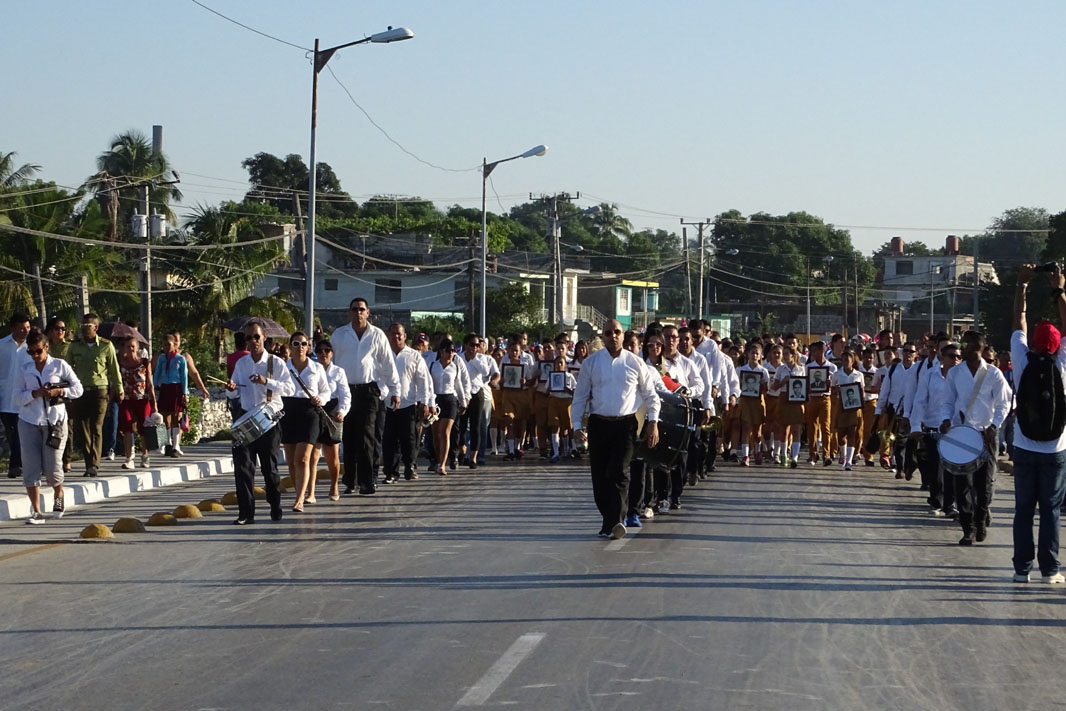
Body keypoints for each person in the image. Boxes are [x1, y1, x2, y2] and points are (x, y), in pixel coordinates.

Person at [572, 320, 661, 540]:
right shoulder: (591, 363)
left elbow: (651, 396)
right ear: (603, 336)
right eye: (609, 333)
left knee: (619, 472)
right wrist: (576, 426)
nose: (614, 336)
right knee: (600, 478)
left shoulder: (635, 363)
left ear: (623, 336)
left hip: (626, 425)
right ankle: (608, 521)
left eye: (617, 332)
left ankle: (617, 521)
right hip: (599, 424)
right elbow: (580, 397)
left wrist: (653, 422)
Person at [1009, 264, 1066, 582]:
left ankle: (1021, 569)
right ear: (1057, 344)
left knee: (1023, 509)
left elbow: (1018, 319)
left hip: (1023, 444)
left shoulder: (1020, 358)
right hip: (1055, 448)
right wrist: (1059, 288)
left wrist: (1022, 285)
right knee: (1051, 510)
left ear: (1031, 342)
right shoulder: (1062, 364)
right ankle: (1050, 569)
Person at [939, 331, 1011, 546]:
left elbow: (1005, 403)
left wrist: (994, 425)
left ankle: (980, 519)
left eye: (968, 345)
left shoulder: (993, 374)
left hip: (985, 435)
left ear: (978, 347)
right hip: (962, 434)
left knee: (985, 484)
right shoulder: (955, 373)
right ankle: (967, 527)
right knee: (962, 484)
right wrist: (945, 419)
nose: (963, 349)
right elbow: (948, 401)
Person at [225, 322, 295, 524]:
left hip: (269, 420)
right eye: (248, 338)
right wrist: (231, 388)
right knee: (243, 467)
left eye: (256, 337)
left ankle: (275, 505)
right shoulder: (242, 364)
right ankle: (246, 513)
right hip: (246, 416)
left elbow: (289, 389)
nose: (253, 341)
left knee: (269, 469)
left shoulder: (276, 363)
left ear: (264, 337)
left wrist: (267, 382)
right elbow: (235, 391)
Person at [330, 298, 400, 496]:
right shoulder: (340, 334)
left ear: (368, 312)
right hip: (345, 391)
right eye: (354, 309)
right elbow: (330, 362)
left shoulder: (377, 335)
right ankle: (350, 480)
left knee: (367, 437)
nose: (358, 312)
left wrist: (395, 390)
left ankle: (368, 481)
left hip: (369, 391)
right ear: (349, 311)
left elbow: (387, 365)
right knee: (349, 437)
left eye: (361, 309)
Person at [15, 330, 83, 523]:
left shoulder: (59, 365)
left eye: (38, 351)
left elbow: (78, 389)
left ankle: (58, 494)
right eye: (31, 352)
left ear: (46, 347)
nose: (35, 356)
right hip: (29, 421)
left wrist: (60, 390)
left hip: (55, 422)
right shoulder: (25, 368)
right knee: (30, 467)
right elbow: (17, 397)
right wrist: (34, 394)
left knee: (52, 466)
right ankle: (36, 511)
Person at [67, 313, 122, 477]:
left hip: (100, 390)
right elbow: (68, 370)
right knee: (83, 428)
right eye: (82, 326)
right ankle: (88, 462)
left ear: (96, 328)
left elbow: (114, 369)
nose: (84, 330)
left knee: (96, 426)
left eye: (87, 327)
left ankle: (95, 463)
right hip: (81, 391)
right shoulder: (74, 346)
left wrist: (119, 389)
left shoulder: (106, 346)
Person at [281, 331, 330, 512]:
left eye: (303, 344)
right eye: (296, 344)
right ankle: (298, 493)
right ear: (290, 347)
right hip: (289, 410)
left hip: (309, 412)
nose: (300, 347)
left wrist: (321, 399)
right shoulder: (283, 367)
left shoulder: (316, 368)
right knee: (292, 461)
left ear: (308, 347)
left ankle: (301, 499)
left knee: (302, 459)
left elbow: (326, 391)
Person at [909, 342, 960, 517]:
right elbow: (920, 400)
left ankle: (951, 504)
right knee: (936, 466)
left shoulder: (963, 378)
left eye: (958, 357)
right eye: (952, 356)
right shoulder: (930, 375)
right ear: (942, 358)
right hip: (933, 427)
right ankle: (937, 501)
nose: (956, 360)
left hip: (955, 429)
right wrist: (915, 425)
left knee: (952, 467)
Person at [383, 324, 432, 483]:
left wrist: (425, 402)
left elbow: (423, 380)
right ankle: (391, 472)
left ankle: (410, 466)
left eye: (399, 334)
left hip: (408, 404)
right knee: (389, 441)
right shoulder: (382, 355)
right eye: (392, 334)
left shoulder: (414, 356)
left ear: (404, 336)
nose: (396, 337)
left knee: (409, 439)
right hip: (387, 404)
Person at [309, 340, 351, 500]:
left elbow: (345, 394)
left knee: (331, 456)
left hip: (332, 413)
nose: (323, 354)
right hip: (316, 411)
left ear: (332, 353)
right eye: (319, 351)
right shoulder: (311, 369)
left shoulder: (338, 372)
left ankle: (334, 486)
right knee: (312, 455)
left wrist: (342, 411)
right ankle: (310, 492)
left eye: (327, 350)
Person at [428, 339, 467, 476]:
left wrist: (463, 402)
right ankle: (438, 460)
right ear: (441, 351)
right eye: (448, 351)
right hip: (436, 399)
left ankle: (443, 464)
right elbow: (429, 385)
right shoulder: (433, 366)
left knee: (445, 432)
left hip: (450, 399)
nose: (451, 353)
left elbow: (458, 385)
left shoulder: (455, 367)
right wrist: (428, 402)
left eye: (453, 351)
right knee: (436, 433)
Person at [117, 337, 156, 470]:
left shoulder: (144, 362)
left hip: (142, 399)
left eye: (133, 346)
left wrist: (154, 403)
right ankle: (129, 458)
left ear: (137, 348)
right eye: (128, 346)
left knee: (143, 428)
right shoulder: (120, 363)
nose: (130, 349)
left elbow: (150, 383)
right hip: (126, 399)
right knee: (127, 426)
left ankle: (145, 456)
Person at [461, 334, 499, 469]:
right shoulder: (458, 358)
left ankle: (475, 457)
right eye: (472, 345)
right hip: (462, 395)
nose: (475, 348)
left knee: (477, 426)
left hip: (477, 393)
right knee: (462, 426)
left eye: (477, 345)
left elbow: (486, 372)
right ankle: (462, 451)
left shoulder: (482, 358)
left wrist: (474, 359)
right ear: (466, 345)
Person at [0, 313, 31, 479]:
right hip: (5, 399)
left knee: (21, 432)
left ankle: (15, 465)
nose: (24, 331)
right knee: (12, 433)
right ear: (12, 328)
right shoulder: (2, 345)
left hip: (26, 398)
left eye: (27, 327)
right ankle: (17, 462)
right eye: (21, 328)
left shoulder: (33, 346)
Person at [153, 333, 189, 458]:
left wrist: (184, 392)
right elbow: (157, 372)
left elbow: (184, 377)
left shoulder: (180, 359)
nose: (167, 347)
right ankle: (166, 443)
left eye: (169, 345)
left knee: (175, 416)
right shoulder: (162, 358)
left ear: (174, 345)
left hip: (176, 387)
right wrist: (152, 386)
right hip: (165, 387)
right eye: (164, 345)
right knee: (164, 416)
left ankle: (176, 445)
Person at [804, 341, 837, 466]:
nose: (813, 354)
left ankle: (826, 454)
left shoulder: (832, 367)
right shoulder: (808, 367)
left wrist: (830, 385)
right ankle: (813, 453)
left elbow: (835, 386)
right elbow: (806, 383)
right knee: (812, 427)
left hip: (825, 398)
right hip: (812, 398)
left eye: (816, 351)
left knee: (826, 426)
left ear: (821, 351)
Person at [736, 343, 769, 467]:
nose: (754, 355)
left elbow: (767, 389)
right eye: (752, 353)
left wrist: (762, 387)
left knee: (757, 430)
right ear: (748, 354)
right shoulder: (740, 370)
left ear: (760, 356)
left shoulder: (763, 371)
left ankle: (757, 450)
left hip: (758, 401)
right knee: (745, 427)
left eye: (757, 353)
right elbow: (736, 385)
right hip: (745, 400)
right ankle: (745, 455)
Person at [829, 349, 863, 471]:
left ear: (852, 361)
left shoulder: (859, 375)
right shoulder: (837, 375)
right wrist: (837, 390)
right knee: (841, 434)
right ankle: (843, 454)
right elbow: (831, 390)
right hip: (841, 406)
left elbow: (862, 391)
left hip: (854, 407)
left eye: (847, 360)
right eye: (843, 360)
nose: (845, 363)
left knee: (852, 433)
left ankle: (849, 461)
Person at [775, 347, 806, 468]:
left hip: (796, 400)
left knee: (796, 429)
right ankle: (783, 454)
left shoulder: (801, 369)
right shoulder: (780, 369)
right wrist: (784, 381)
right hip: (784, 399)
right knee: (783, 429)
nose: (785, 356)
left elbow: (805, 386)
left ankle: (795, 457)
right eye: (784, 354)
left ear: (793, 355)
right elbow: (774, 386)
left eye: (787, 354)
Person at [225, 331, 249, 421]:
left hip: (234, 391)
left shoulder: (230, 357)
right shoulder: (250, 355)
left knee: (237, 422)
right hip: (247, 392)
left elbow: (229, 377)